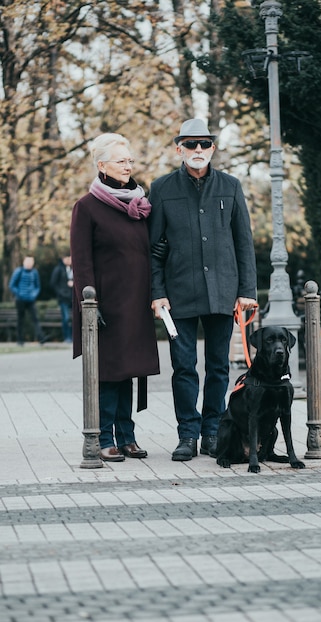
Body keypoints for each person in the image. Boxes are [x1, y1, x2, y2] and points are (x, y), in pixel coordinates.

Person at [149, 118, 257, 462]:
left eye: (204, 144)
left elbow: (244, 243)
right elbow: (151, 249)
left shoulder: (231, 185)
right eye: (191, 144)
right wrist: (156, 291)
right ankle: (187, 435)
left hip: (222, 292)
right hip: (177, 294)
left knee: (218, 367)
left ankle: (211, 433)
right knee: (183, 367)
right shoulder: (162, 188)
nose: (198, 150)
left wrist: (247, 290)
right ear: (178, 147)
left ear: (213, 148)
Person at [70, 132, 160, 462]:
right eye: (121, 161)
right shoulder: (87, 207)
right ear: (102, 165)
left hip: (135, 303)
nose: (128, 166)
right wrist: (89, 305)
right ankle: (104, 436)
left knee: (129, 371)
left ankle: (127, 435)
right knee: (108, 374)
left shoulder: (139, 205)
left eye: (130, 160)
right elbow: (81, 261)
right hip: (105, 304)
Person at [9, 255, 48, 346]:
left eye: (31, 262)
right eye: (28, 261)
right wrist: (19, 294)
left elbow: (37, 286)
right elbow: (12, 285)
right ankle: (20, 340)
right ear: (24, 262)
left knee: (35, 319)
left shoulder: (34, 272)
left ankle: (41, 338)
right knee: (20, 320)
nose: (29, 264)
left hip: (31, 299)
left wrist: (34, 294)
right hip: (20, 300)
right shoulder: (18, 271)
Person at [50, 254, 73, 343]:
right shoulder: (58, 269)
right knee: (66, 318)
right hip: (63, 298)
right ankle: (67, 337)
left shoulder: (72, 269)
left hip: (72, 298)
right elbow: (53, 283)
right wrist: (61, 293)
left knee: (73, 318)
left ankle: (73, 337)